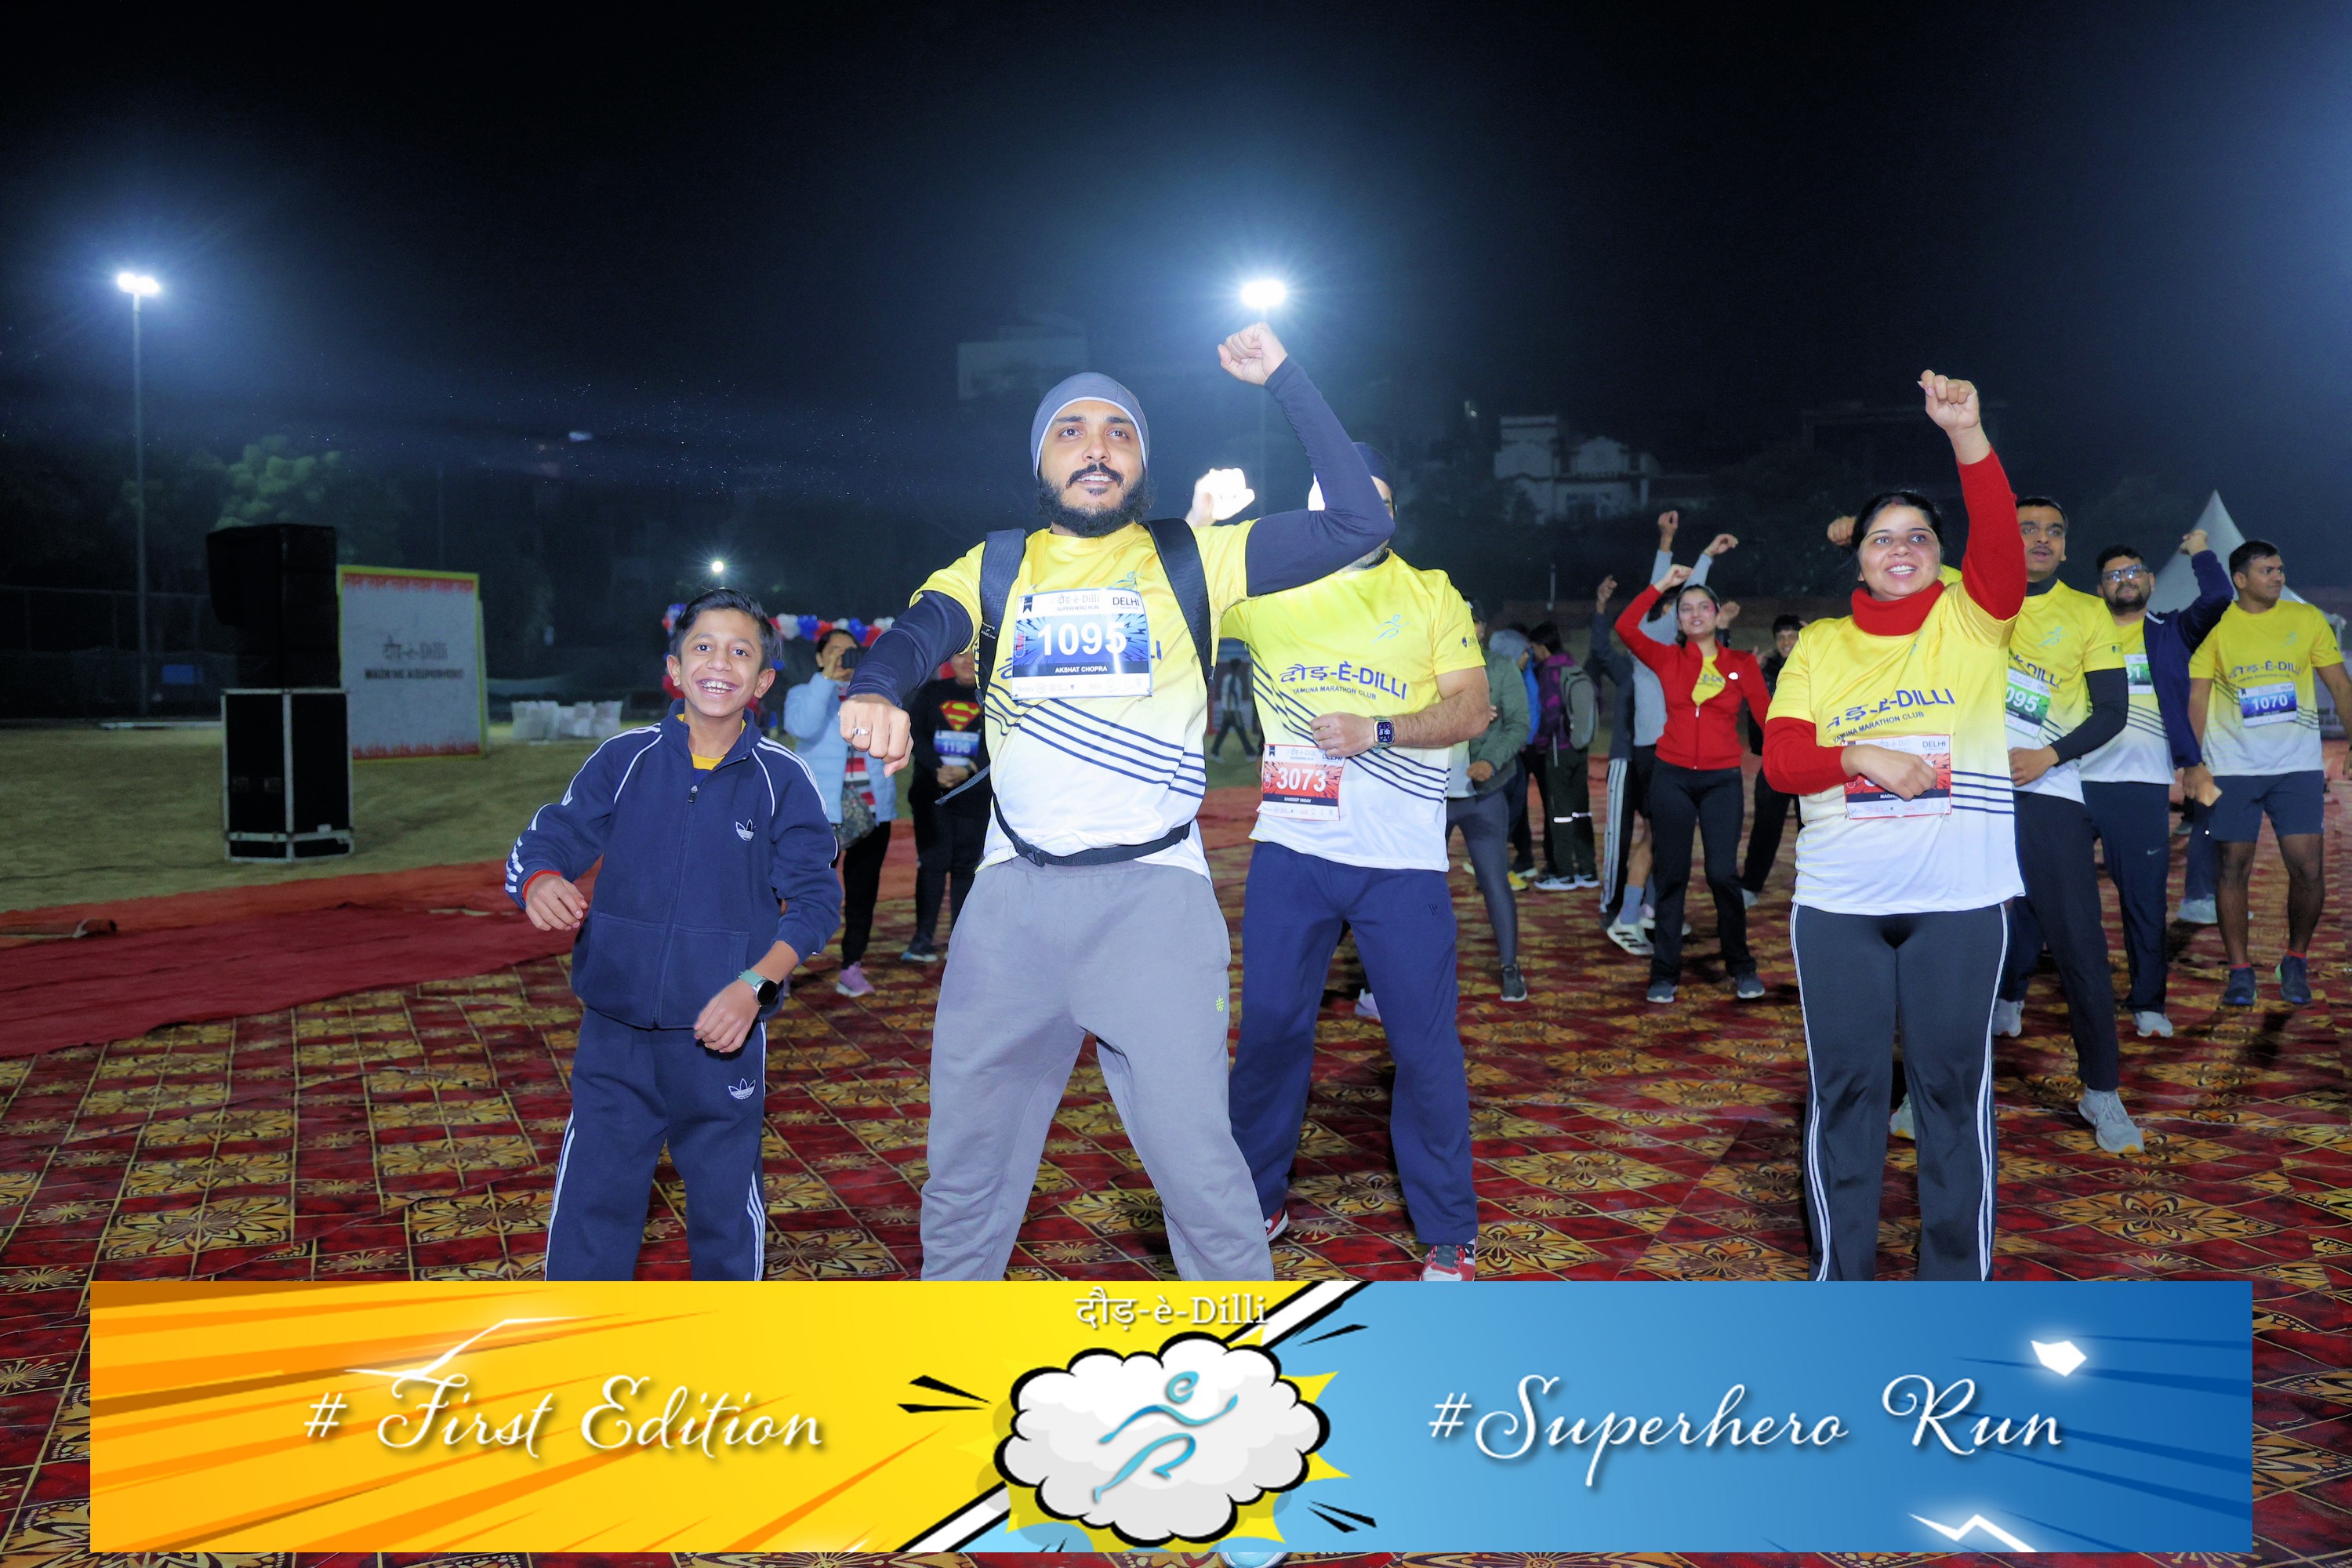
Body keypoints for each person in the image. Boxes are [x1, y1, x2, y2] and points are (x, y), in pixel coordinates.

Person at [833, 321, 1393, 1282]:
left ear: (1141, 460)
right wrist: (877, 687)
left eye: (1119, 431)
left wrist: (1286, 378)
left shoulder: (1196, 559)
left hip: (1154, 905)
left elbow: (1358, 524)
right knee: (964, 1175)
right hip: (1010, 907)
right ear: (1040, 460)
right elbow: (919, 631)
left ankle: (1245, 1359)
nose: (1096, 446)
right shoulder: (995, 564)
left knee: (1201, 1173)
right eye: (1071, 430)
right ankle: (947, 1352)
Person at [1763, 371, 2025, 1281]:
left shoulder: (1975, 620)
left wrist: (1966, 434)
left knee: (1952, 1096)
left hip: (1960, 901)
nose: (1900, 548)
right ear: (1860, 558)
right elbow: (1782, 760)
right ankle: (1844, 1284)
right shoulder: (1821, 644)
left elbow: (2001, 541)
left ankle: (1952, 1292)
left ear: (1942, 556)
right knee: (1847, 1095)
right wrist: (1857, 754)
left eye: (1919, 536)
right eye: (1883, 537)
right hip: (1840, 906)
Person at [508, 587, 841, 1279]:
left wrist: (753, 987)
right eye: (703, 647)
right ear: (674, 667)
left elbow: (815, 904)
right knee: (593, 1204)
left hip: (722, 1036)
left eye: (740, 652)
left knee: (725, 1210)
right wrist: (539, 880)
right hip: (614, 1033)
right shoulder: (624, 759)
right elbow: (549, 838)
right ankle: (581, 1331)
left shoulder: (783, 780)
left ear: (763, 681)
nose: (720, 663)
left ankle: (721, 1333)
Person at [1221, 446, 1492, 1280]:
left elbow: (1472, 709)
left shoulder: (1430, 591)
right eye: (1341, 499)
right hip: (1292, 852)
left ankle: (1448, 1226)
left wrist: (1378, 729)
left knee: (1424, 1046)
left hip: (1399, 863)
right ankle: (1252, 1199)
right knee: (1269, 1033)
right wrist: (1202, 521)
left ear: (1392, 514)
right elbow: (1167, 595)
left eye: (1374, 500)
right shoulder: (1265, 589)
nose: (1358, 514)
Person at [1982, 495, 2136, 1152]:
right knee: (1951, 944)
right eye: (2026, 529)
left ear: (2066, 547)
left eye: (2053, 530)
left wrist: (2048, 755)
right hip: (1964, 794)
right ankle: (1933, 1088)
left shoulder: (2087, 612)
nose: (2041, 539)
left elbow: (2112, 710)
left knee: (2080, 944)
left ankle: (2101, 1089)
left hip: (2047, 790)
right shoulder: (1963, 593)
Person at [2078, 530, 2233, 1035]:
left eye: (2133, 572)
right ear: (2100, 589)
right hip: (2070, 781)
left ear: (2149, 581)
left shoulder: (2172, 632)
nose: (2124, 580)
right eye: (2113, 575)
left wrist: (2199, 549)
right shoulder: (2081, 632)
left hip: (2140, 786)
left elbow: (2219, 595)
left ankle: (2148, 1002)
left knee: (2144, 901)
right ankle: (2013, 994)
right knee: (2044, 894)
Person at [2189, 539, 2351, 1007]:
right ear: (2240, 580)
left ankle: (2295, 959)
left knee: (2308, 868)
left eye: (2280, 569)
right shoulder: (2217, 624)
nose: (2278, 577)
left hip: (2296, 768)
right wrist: (2193, 762)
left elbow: (2339, 684)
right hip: (2232, 768)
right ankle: (2240, 971)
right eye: (2267, 571)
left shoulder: (2306, 619)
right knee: (2231, 868)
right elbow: (2197, 696)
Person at [1615, 564, 1768, 1003]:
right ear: (1678, 620)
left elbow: (1767, 717)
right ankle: (1664, 973)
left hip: (1722, 780)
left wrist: (1798, 756)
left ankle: (1741, 966)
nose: (1696, 614)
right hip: (1673, 777)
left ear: (1718, 615)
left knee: (1723, 874)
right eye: (1686, 608)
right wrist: (1662, 585)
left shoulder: (1741, 665)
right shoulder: (1667, 658)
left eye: (1704, 607)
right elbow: (1626, 627)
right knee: (1672, 875)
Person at [1599, 516, 1737, 949]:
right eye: (1681, 609)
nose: (1691, 614)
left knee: (1667, 839)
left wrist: (1701, 555)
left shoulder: (1676, 648)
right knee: (1655, 837)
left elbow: (1687, 596)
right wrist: (1686, 552)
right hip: (1656, 753)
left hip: (1673, 753)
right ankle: (1627, 916)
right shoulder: (1652, 640)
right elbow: (1675, 590)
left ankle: (1651, 909)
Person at [786, 626, 897, 998]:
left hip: (871, 811)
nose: (842, 657)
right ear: (820, 657)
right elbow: (802, 727)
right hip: (821, 814)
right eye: (834, 650)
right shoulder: (803, 693)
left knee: (863, 894)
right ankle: (784, 965)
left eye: (849, 651)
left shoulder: (878, 696)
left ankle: (851, 966)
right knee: (807, 893)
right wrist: (826, 681)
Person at [1451, 622, 1533, 1001]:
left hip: (1484, 793)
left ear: (1481, 628)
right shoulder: (1423, 666)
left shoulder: (1500, 669)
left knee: (1494, 880)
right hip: (1432, 795)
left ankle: (1510, 966)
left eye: (1467, 619)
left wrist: (1490, 761)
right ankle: (1415, 964)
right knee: (1419, 883)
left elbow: (1518, 724)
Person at [901, 648, 989, 964]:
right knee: (933, 865)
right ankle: (922, 940)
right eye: (961, 655)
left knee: (966, 867)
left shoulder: (992, 697)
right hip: (932, 796)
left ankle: (960, 942)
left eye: (975, 655)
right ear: (951, 658)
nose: (967, 661)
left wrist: (969, 769)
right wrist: (938, 767)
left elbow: (1001, 738)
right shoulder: (932, 693)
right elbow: (915, 734)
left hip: (975, 797)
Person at [1738, 614, 1806, 904]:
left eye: (1793, 636)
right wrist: (1749, 670)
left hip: (1808, 758)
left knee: (1812, 826)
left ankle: (1813, 883)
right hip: (1774, 759)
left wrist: (1815, 636)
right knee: (1766, 826)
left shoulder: (1817, 664)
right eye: (1781, 637)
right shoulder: (1765, 669)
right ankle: (1750, 886)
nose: (1786, 642)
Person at [1529, 621, 1601, 891]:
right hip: (1580, 748)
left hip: (1559, 749)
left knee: (1560, 813)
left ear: (1543, 647)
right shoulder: (1574, 666)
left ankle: (1563, 873)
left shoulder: (1550, 673)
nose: (1534, 653)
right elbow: (1598, 701)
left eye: (1534, 648)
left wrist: (1540, 742)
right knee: (1581, 810)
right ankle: (1588, 870)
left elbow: (1550, 713)